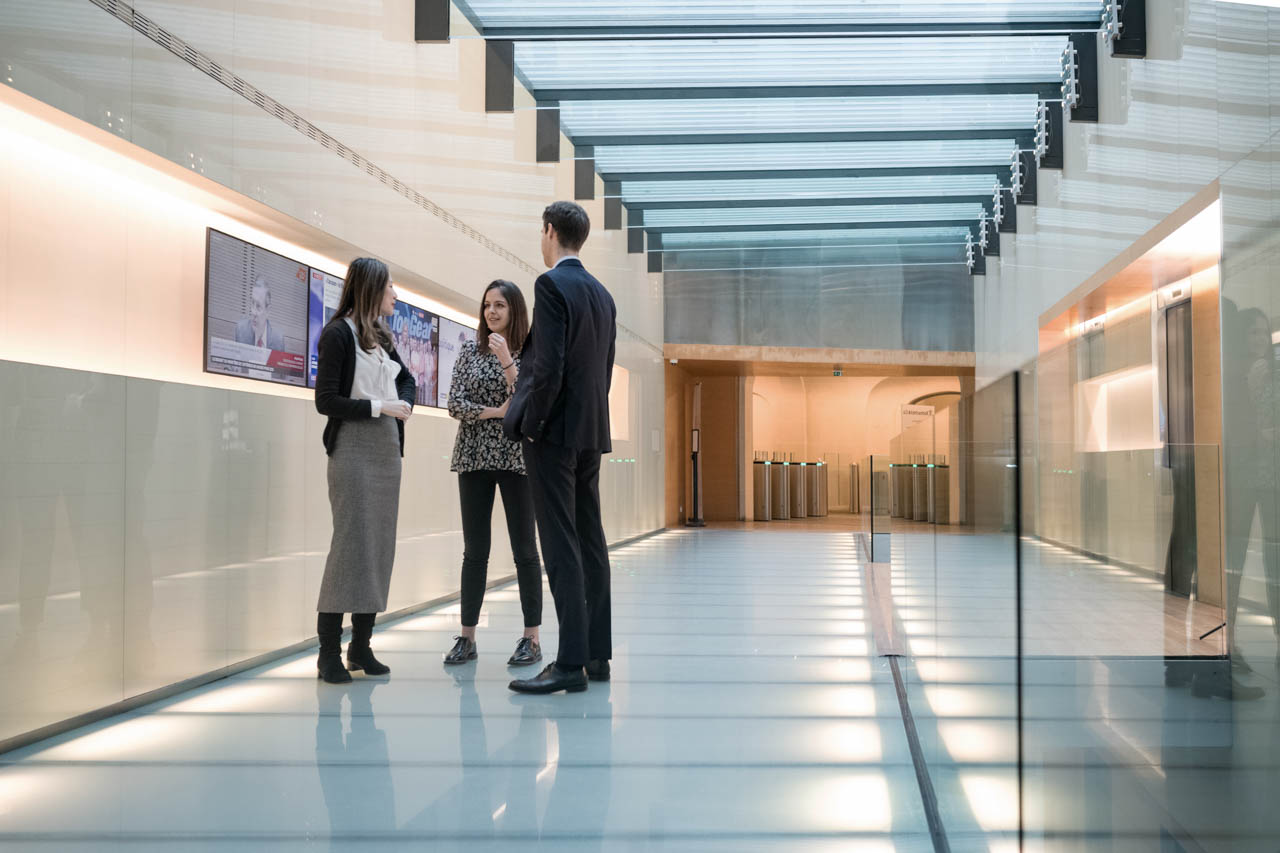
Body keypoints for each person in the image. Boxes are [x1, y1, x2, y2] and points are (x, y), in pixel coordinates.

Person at [505, 201, 617, 695]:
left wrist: (533, 425)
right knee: (590, 538)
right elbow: (603, 368)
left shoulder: (551, 285)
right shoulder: (603, 294)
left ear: (550, 232)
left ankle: (570, 661)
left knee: (560, 543)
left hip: (554, 434)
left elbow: (546, 369)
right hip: (591, 430)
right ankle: (596, 653)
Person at [313, 257, 416, 684]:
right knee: (351, 546)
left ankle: (361, 646)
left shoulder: (381, 335)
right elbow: (327, 401)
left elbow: (408, 379)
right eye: (390, 287)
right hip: (353, 447)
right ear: (372, 289)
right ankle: (328, 652)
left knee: (378, 545)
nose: (395, 294)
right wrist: (380, 406)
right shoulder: (338, 334)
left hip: (385, 448)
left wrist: (403, 402)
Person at [444, 280, 544, 667]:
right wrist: (496, 412)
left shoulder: (529, 353)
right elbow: (455, 403)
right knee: (475, 551)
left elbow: (530, 400)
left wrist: (507, 363)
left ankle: (530, 638)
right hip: (473, 457)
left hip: (518, 458)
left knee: (524, 550)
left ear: (514, 311)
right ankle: (467, 637)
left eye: (500, 305)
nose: (491, 312)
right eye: (487, 305)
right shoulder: (469, 350)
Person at [234, 276, 285, 350]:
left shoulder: (278, 340)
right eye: (252, 303)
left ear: (267, 310)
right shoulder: (241, 330)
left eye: (258, 306)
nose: (253, 312)